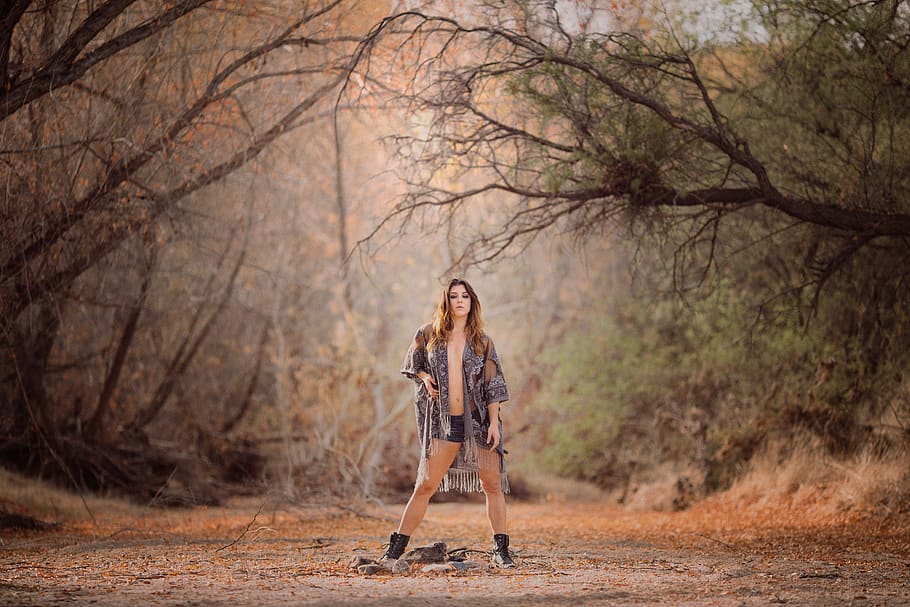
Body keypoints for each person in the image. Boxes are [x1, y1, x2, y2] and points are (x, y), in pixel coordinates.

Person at [380, 278, 515, 568]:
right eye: (454, 296)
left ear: (472, 301)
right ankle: (394, 550)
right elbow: (412, 364)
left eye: (465, 296)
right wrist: (425, 377)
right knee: (425, 485)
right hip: (444, 422)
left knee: (492, 485)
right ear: (447, 301)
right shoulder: (429, 334)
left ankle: (501, 551)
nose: (459, 300)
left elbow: (493, 385)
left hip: (479, 423)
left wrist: (493, 423)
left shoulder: (483, 341)